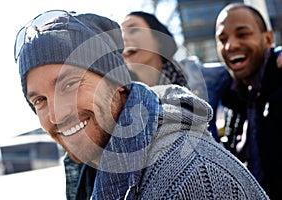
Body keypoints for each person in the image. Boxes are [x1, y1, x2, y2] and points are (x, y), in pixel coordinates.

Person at [14, 10, 269, 199]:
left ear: (117, 81)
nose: (57, 114)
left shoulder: (185, 179)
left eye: (70, 84)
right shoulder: (92, 171)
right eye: (39, 100)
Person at [215, 3, 282, 199]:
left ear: (268, 38)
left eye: (242, 34)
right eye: (222, 39)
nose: (231, 45)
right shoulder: (228, 97)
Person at [121, 11, 216, 140]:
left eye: (133, 30)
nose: (123, 39)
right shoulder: (122, 97)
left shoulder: (195, 74)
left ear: (158, 38)